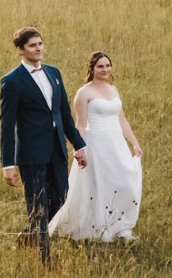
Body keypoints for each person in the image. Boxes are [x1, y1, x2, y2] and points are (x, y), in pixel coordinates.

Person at [0, 26, 87, 259]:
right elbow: (6, 127)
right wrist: (7, 165)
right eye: (32, 45)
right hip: (31, 154)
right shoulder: (12, 81)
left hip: (57, 150)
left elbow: (64, 115)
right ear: (21, 50)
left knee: (60, 199)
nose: (38, 49)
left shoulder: (54, 73)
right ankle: (44, 258)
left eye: (40, 44)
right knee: (38, 206)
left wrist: (79, 145)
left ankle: (29, 235)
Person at [48, 51, 144, 243]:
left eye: (108, 65)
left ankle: (120, 226)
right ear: (92, 69)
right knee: (99, 184)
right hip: (96, 143)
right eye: (100, 66)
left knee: (123, 182)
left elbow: (121, 119)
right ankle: (98, 227)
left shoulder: (114, 90)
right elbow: (80, 124)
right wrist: (79, 148)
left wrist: (134, 142)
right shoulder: (84, 93)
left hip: (116, 143)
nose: (105, 69)